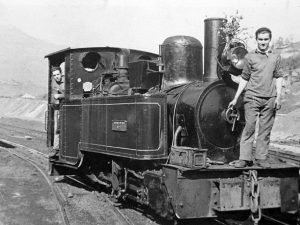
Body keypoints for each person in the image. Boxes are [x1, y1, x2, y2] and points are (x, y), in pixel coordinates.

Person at [228, 27, 283, 168]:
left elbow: (278, 77)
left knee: (265, 130)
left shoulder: (275, 57)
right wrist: (235, 98)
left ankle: (261, 158)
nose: (263, 42)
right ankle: (244, 159)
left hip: (270, 98)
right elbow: (245, 78)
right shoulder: (249, 57)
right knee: (249, 127)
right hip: (252, 97)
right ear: (256, 39)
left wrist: (278, 97)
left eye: (266, 39)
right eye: (260, 39)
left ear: (270, 40)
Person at [49, 66, 65, 159]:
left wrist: (60, 95)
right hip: (58, 108)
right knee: (57, 129)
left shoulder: (66, 82)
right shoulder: (54, 82)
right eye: (54, 75)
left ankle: (57, 148)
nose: (56, 77)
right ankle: (56, 148)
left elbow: (72, 93)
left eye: (58, 74)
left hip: (66, 108)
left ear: (61, 73)